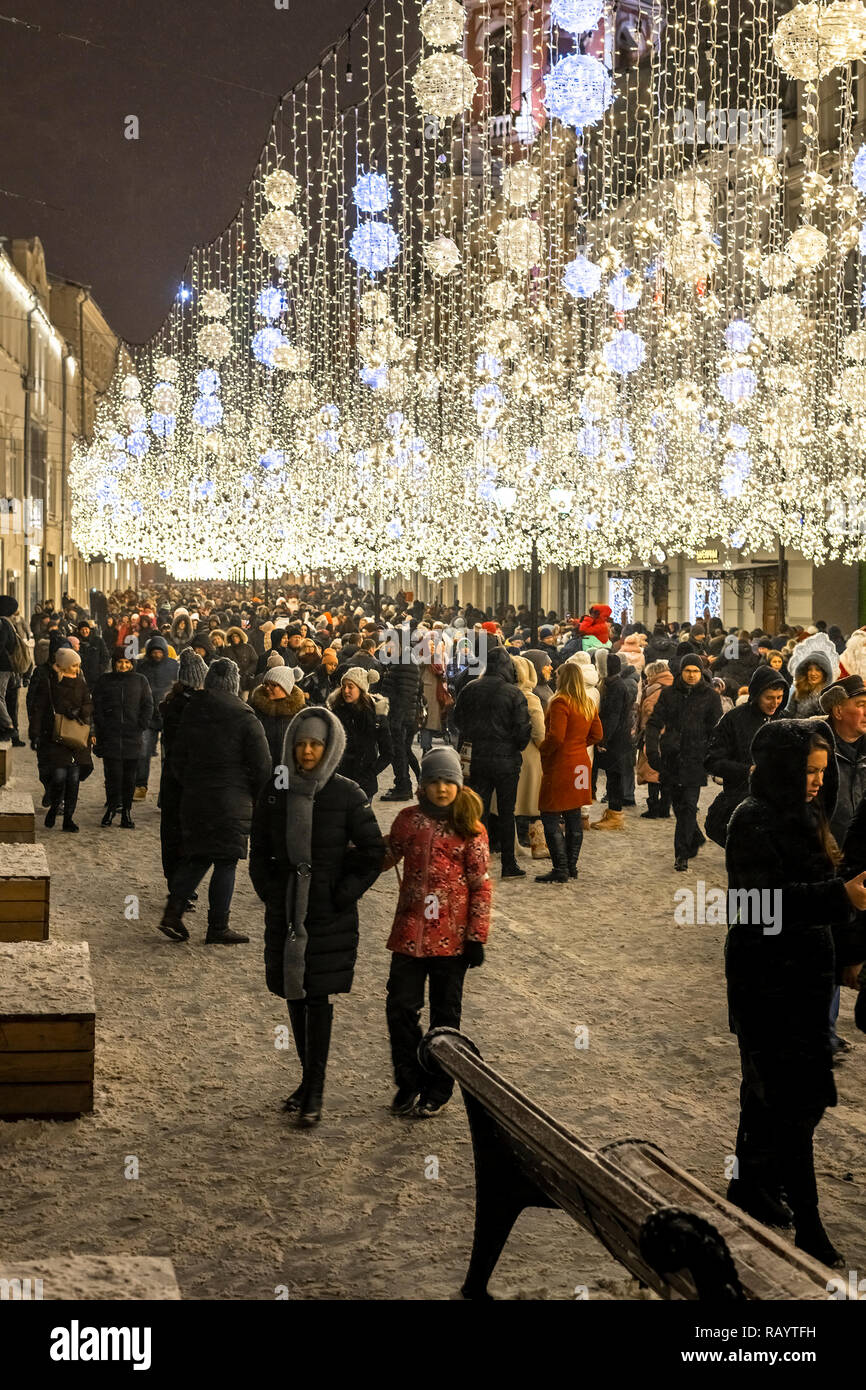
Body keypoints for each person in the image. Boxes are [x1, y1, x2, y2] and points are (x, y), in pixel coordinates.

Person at [725, 720, 866, 1266]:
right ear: (785, 768)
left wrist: (846, 947)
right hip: (769, 981)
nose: (816, 781)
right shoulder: (754, 819)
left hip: (803, 979)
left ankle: (753, 1185)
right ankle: (808, 1225)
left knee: (768, 1093)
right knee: (794, 1102)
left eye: (821, 772)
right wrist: (840, 897)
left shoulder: (801, 812)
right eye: (808, 771)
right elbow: (759, 908)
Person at [249, 705, 385, 1127]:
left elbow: (372, 853)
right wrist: (273, 893)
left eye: (315, 744)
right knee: (294, 990)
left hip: (327, 911)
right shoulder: (277, 787)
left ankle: (316, 1088)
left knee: (316, 994)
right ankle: (307, 1079)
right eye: (301, 743)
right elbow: (260, 851)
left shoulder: (346, 793)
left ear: (330, 748)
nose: (307, 751)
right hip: (287, 906)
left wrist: (340, 894)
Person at [383, 746, 490, 1117]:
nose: (442, 789)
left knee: (445, 1016)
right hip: (409, 935)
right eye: (434, 782)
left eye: (449, 781)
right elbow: (383, 856)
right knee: (400, 1008)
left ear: (459, 785)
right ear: (422, 784)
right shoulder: (408, 821)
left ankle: (439, 1086)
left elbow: (481, 884)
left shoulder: (470, 828)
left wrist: (477, 936)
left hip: (452, 940)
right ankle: (409, 1078)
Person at [158, 658, 271, 946]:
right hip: (230, 801)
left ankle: (173, 912)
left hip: (195, 798)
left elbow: (177, 758)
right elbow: (262, 767)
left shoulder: (192, 711)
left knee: (198, 855)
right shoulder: (246, 717)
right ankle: (218, 926)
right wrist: (255, 797)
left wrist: (192, 784)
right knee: (226, 861)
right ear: (234, 683)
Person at [453, 644, 532, 878]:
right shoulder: (513, 692)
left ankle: (479, 861)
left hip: (477, 757)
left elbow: (458, 720)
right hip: (506, 760)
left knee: (479, 811)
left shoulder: (470, 688)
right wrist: (515, 746)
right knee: (506, 812)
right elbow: (523, 729)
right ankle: (509, 863)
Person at [645, 653, 723, 870]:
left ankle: (682, 854)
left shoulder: (710, 696)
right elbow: (654, 723)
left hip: (695, 758)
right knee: (679, 806)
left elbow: (716, 729)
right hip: (671, 758)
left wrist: (712, 755)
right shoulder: (669, 694)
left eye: (696, 671)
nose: (691, 675)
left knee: (689, 805)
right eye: (688, 670)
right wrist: (653, 750)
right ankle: (695, 837)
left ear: (701, 673)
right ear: (681, 671)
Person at [703, 665, 788, 847]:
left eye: (779, 698)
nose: (775, 703)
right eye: (769, 698)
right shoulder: (733, 720)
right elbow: (712, 761)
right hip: (740, 801)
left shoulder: (784, 721)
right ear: (757, 695)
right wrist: (747, 770)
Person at [537, 661, 603, 882]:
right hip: (582, 763)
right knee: (574, 814)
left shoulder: (560, 702)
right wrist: (578, 744)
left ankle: (560, 868)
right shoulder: (587, 703)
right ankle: (572, 866)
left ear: (563, 678)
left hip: (561, 764)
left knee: (550, 814)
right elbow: (597, 734)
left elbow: (556, 736)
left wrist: (543, 749)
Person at [28, 647, 93, 832]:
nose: (77, 668)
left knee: (73, 778)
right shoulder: (49, 683)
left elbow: (88, 703)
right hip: (55, 736)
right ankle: (55, 807)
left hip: (77, 736)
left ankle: (68, 818)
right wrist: (35, 733)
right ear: (64, 666)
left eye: (78, 665)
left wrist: (81, 712)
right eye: (73, 665)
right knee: (58, 776)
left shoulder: (81, 681)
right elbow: (39, 709)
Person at [158, 649, 208, 893]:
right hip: (187, 779)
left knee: (173, 833)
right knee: (184, 834)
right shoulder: (189, 707)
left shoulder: (173, 703)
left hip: (173, 778)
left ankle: (179, 884)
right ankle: (181, 885)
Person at [92, 648, 154, 828]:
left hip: (132, 736)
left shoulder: (140, 681)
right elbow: (97, 704)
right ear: (114, 663)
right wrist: (103, 724)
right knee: (113, 776)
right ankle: (111, 809)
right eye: (120, 662)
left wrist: (142, 724)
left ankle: (126, 812)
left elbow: (148, 705)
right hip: (110, 735)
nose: (124, 665)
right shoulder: (105, 681)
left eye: (127, 662)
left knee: (129, 777)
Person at [327, 666, 392, 798]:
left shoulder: (376, 715)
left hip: (364, 784)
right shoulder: (336, 711)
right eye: (343, 686)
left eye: (350, 686)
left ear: (361, 688)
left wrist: (371, 772)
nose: (346, 690)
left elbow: (388, 752)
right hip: (339, 780)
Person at [511, 655, 547, 859]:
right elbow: (539, 732)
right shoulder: (530, 698)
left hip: (511, 751)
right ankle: (532, 840)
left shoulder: (507, 693)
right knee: (530, 799)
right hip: (529, 753)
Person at [134, 635, 179, 800]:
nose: (157, 654)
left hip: (168, 715)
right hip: (148, 715)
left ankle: (166, 791)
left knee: (167, 756)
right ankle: (140, 785)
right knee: (143, 752)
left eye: (160, 651)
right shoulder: (142, 666)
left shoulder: (174, 666)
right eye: (154, 651)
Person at [592, 653, 632, 831]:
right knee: (612, 777)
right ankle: (612, 813)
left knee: (615, 778)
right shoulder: (614, 684)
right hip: (617, 738)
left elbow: (613, 717)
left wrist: (603, 739)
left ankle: (615, 815)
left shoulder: (616, 687)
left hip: (616, 740)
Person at [379, 643, 422, 802]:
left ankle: (403, 787)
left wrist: (396, 720)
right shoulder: (402, 661)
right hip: (401, 716)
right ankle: (404, 785)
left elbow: (405, 694)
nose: (386, 647)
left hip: (400, 718)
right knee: (402, 752)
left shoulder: (405, 663)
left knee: (400, 752)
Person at [636, 658, 674, 818]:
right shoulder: (675, 687)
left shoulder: (655, 691)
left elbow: (650, 713)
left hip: (655, 736)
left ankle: (653, 807)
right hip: (672, 737)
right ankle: (665, 807)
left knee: (652, 772)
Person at [250, 665, 306, 765]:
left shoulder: (301, 713)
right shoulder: (255, 708)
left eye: (273, 685)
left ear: (286, 687)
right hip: (259, 768)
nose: (267, 688)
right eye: (266, 684)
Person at [785, 634, 837, 716]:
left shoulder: (829, 696)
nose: (813, 673)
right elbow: (789, 715)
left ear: (825, 673)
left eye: (818, 670)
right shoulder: (798, 692)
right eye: (810, 669)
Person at [76, 619, 110, 692]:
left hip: (97, 676)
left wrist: (100, 669)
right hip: (82, 677)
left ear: (89, 629)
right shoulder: (77, 642)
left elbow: (106, 656)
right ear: (79, 631)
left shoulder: (98, 640)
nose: (84, 631)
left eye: (86, 629)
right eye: (82, 629)